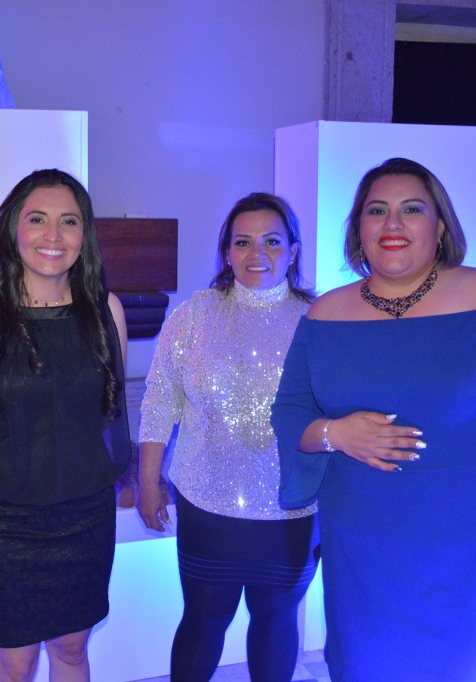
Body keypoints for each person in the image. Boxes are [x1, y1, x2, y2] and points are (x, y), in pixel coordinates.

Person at [270, 157, 476, 682]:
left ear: (440, 226)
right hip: (360, 548)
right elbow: (289, 412)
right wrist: (336, 433)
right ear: (359, 229)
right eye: (377, 210)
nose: (393, 223)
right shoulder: (326, 313)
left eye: (412, 209)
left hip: (467, 549)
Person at [0, 169, 130, 682]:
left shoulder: (106, 311)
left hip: (85, 516)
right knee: (14, 662)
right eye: (38, 219)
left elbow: (108, 412)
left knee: (72, 648)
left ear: (84, 234)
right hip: (4, 522)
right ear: (13, 229)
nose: (53, 235)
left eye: (69, 221)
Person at [137, 193, 320, 682]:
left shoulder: (321, 319)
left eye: (272, 241)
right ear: (226, 252)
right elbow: (160, 400)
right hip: (206, 502)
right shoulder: (193, 315)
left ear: (293, 251)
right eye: (243, 242)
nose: (257, 253)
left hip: (292, 507)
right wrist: (148, 481)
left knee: (276, 620)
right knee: (204, 621)